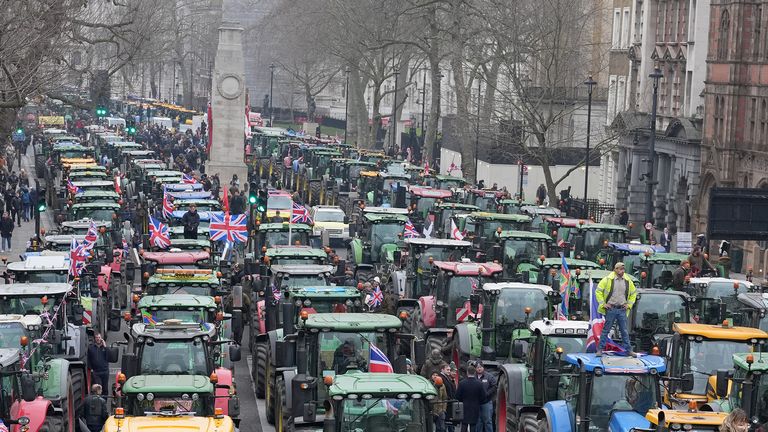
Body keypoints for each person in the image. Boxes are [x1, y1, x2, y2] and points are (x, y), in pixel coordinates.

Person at [595, 262, 637, 357]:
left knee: (624, 331)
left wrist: (629, 305)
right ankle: (600, 349)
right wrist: (603, 304)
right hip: (611, 309)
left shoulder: (627, 281)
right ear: (615, 269)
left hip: (622, 309)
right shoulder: (608, 279)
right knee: (606, 330)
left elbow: (634, 293)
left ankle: (628, 350)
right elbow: (598, 291)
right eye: (619, 269)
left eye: (623, 269)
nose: (621, 271)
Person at [455, 365, 485, 432]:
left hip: (464, 406)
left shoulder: (462, 383)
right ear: (474, 373)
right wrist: (478, 402)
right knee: (473, 425)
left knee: (464, 424)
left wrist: (462, 400)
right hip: (475, 407)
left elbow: (457, 396)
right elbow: (483, 397)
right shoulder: (479, 384)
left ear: (467, 372)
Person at [475, 361, 496, 432]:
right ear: (475, 369)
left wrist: (487, 393)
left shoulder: (489, 376)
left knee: (488, 420)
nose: (479, 369)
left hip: (486, 402)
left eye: (480, 367)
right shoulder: (474, 377)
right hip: (477, 402)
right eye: (477, 367)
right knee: (478, 421)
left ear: (483, 368)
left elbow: (494, 386)